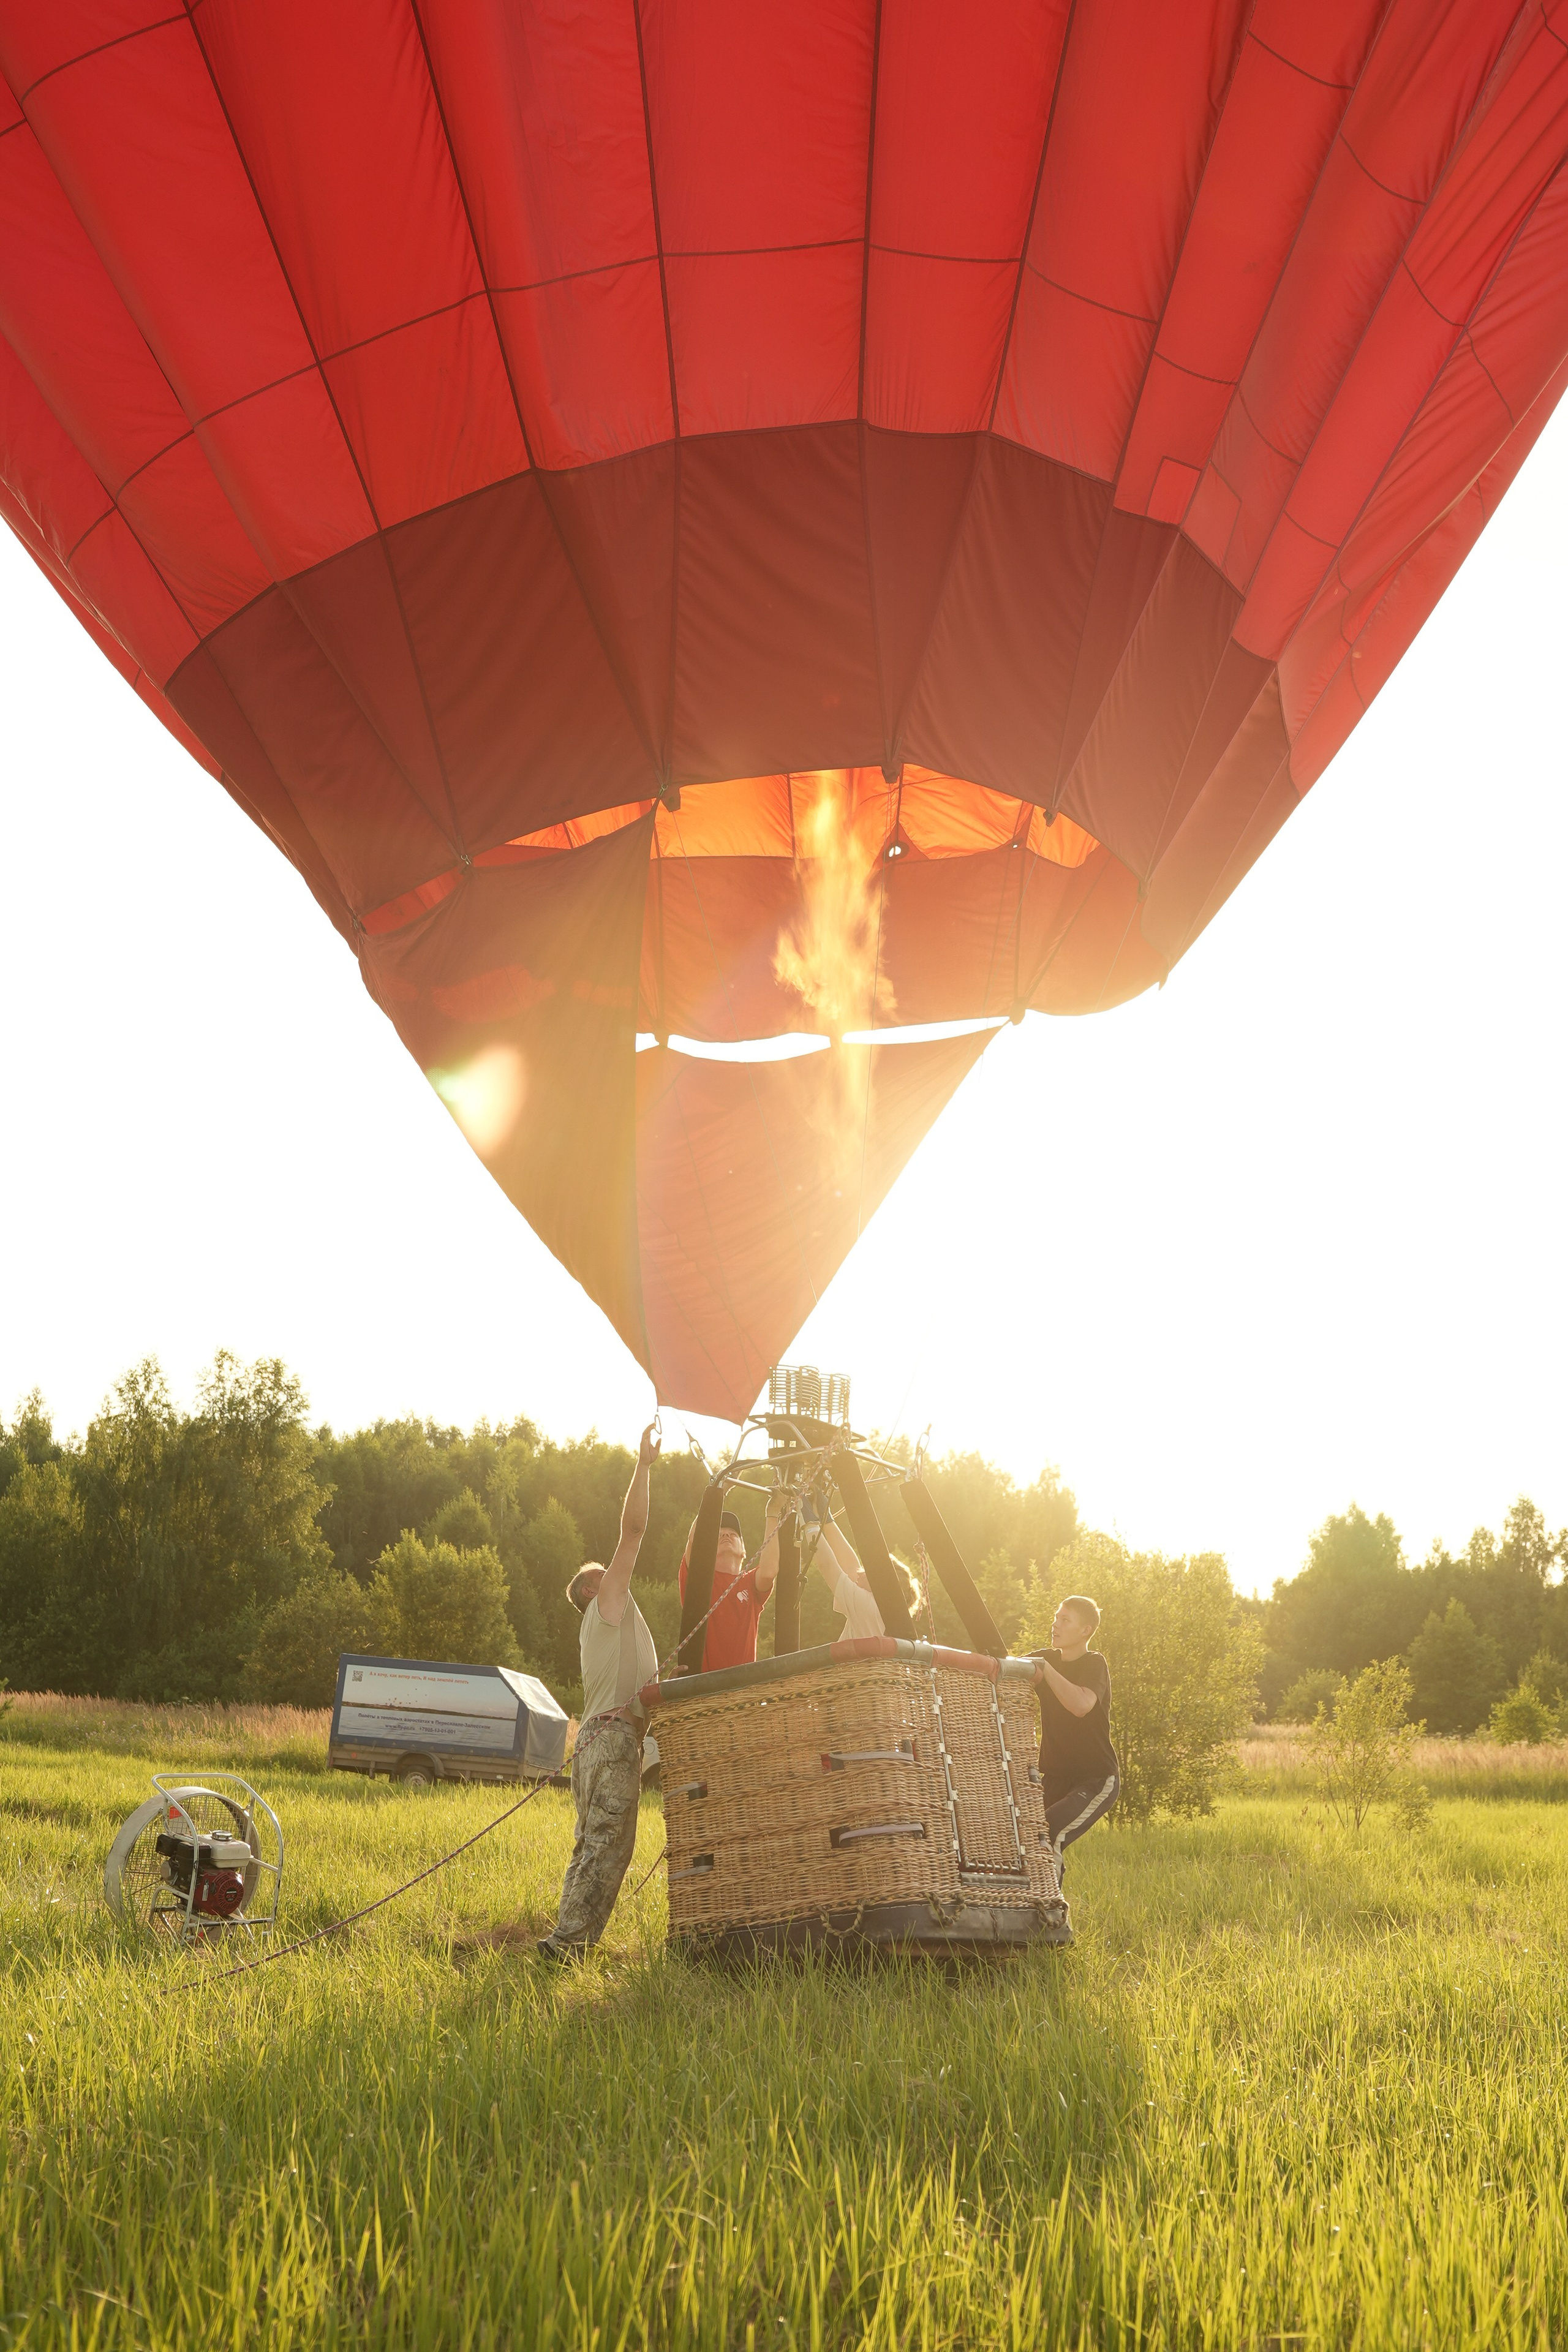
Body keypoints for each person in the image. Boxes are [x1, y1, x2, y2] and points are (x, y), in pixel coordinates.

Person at [537, 1421, 660, 1961]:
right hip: (610, 1744)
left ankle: (564, 1937)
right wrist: (644, 1466)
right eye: (604, 1573)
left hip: (596, 1742)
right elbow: (633, 1530)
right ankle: (568, 1947)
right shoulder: (607, 1602)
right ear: (592, 1588)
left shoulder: (609, 1625)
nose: (616, 1574)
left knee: (590, 1845)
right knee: (609, 1847)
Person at [1032, 1594, 1119, 1864]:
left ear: (1086, 1630)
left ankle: (1052, 1907)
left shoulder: (1095, 1663)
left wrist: (1046, 1670)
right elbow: (1001, 1666)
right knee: (1023, 1836)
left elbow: (1081, 1704)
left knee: (1048, 1833)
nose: (1056, 1624)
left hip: (1095, 1779)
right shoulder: (1045, 1659)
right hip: (1054, 1778)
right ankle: (1026, 1904)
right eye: (1057, 1617)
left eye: (1065, 1620)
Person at [675, 1502, 778, 1671]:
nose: (726, 1535)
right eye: (720, 1534)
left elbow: (769, 1572)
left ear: (743, 1550)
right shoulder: (700, 1579)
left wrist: (772, 1514)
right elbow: (695, 1541)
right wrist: (717, 1493)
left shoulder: (750, 1582)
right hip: (701, 1686)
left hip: (741, 1689)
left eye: (733, 1534)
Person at [805, 1492, 919, 1640]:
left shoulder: (867, 1606)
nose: (860, 1572)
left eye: (866, 1572)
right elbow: (852, 1567)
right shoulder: (885, 1610)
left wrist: (808, 1520)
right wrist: (826, 1518)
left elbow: (827, 1565)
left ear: (878, 1585)